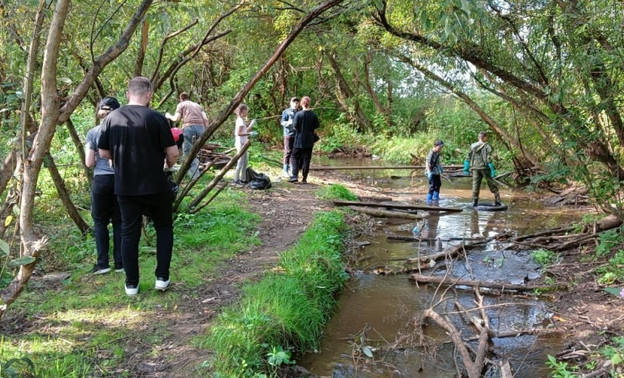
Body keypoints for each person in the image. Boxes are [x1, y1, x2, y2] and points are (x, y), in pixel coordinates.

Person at [98, 76, 179, 296]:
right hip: (156, 185)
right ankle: (162, 277)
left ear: (128, 94)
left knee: (129, 233)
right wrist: (167, 164)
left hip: (125, 186)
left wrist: (119, 158)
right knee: (163, 228)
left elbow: (103, 152)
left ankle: (131, 284)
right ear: (149, 94)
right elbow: (173, 153)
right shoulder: (157, 118)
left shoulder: (111, 118)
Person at [85, 96, 122, 275]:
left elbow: (89, 162)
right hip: (120, 179)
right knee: (119, 221)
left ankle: (103, 263)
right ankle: (121, 264)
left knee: (100, 222)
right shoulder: (124, 131)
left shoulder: (94, 132)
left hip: (101, 180)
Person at [165, 92, 209, 180]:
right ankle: (194, 173)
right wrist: (206, 131)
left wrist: (168, 115)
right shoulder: (198, 105)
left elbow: (176, 118)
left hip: (189, 128)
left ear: (180, 99)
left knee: (188, 153)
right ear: (188, 98)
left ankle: (194, 177)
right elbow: (205, 119)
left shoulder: (181, 104)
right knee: (195, 152)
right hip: (201, 128)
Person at [464, 131, 501, 206]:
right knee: (490, 182)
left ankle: (474, 201)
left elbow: (468, 157)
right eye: (486, 137)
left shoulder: (472, 146)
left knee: (475, 184)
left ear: (478, 138)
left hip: (475, 167)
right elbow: (488, 158)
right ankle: (497, 198)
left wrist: (466, 168)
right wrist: (492, 169)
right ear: (484, 137)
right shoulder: (486, 146)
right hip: (484, 167)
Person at [289, 96, 319, 184]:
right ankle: (304, 178)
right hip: (309, 140)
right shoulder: (313, 115)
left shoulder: (298, 114)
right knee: (307, 159)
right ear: (309, 103)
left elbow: (295, 127)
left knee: (294, 157)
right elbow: (315, 127)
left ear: (301, 104)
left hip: (299, 139)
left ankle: (294, 176)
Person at [233, 103, 256, 185]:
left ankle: (243, 178)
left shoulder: (242, 120)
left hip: (244, 143)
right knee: (240, 161)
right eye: (246, 111)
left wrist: (252, 124)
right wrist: (249, 134)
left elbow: (245, 130)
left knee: (245, 161)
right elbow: (239, 133)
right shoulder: (239, 121)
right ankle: (236, 179)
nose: (247, 112)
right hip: (240, 143)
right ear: (243, 111)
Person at [280, 97, 299, 176]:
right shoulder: (286, 112)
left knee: (294, 153)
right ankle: (285, 170)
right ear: (291, 103)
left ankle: (292, 169)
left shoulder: (299, 112)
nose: (295, 104)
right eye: (294, 102)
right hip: (288, 134)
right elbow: (282, 122)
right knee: (288, 151)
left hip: (297, 135)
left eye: (297, 103)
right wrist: (288, 123)